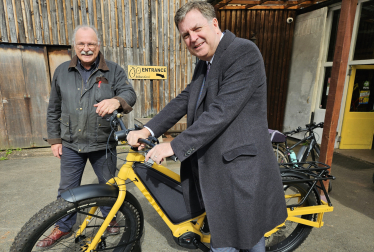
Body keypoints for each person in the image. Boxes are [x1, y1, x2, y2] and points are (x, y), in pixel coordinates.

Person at [127, 2, 287, 252]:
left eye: (196, 28)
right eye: (185, 35)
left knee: (245, 237)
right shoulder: (206, 61)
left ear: (214, 23)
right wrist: (149, 130)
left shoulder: (243, 52)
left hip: (239, 171)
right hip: (216, 169)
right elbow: (185, 98)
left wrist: (174, 146)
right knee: (232, 237)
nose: (192, 38)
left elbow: (221, 112)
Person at [39, 25, 136, 248]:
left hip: (103, 143)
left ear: (98, 45)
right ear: (75, 46)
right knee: (66, 190)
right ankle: (63, 226)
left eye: (91, 43)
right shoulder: (62, 71)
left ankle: (109, 218)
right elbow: (54, 108)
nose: (86, 48)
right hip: (71, 143)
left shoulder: (113, 70)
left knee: (109, 185)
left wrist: (117, 101)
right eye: (81, 44)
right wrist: (55, 140)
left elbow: (129, 93)